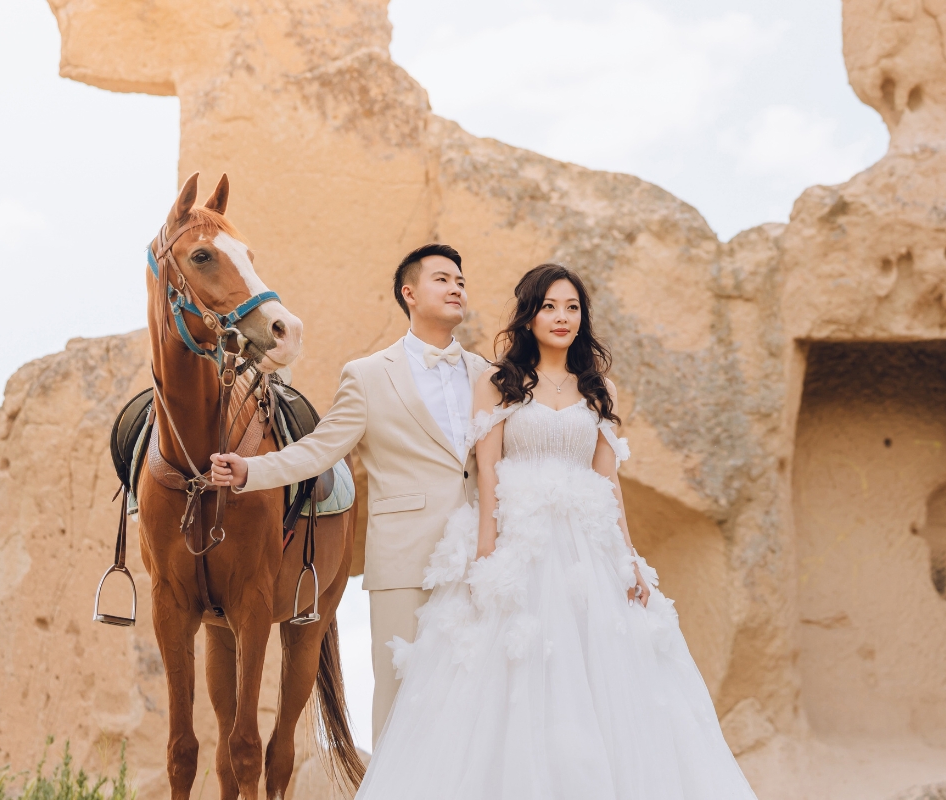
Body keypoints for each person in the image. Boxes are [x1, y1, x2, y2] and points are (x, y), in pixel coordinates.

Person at [354, 263, 759, 799]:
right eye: (549, 306)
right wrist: (486, 554)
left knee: (603, 678)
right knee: (509, 680)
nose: (562, 317)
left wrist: (629, 557)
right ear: (529, 315)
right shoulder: (497, 383)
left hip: (587, 549)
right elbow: (489, 473)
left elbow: (609, 483)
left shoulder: (598, 389)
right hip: (520, 544)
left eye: (572, 308)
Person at [209, 243, 490, 746]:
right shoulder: (367, 375)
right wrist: (249, 470)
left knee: (479, 697)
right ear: (409, 293)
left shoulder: (490, 376)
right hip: (406, 559)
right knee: (400, 700)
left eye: (461, 282)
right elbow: (319, 451)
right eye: (443, 279)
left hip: (482, 560)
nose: (456, 288)